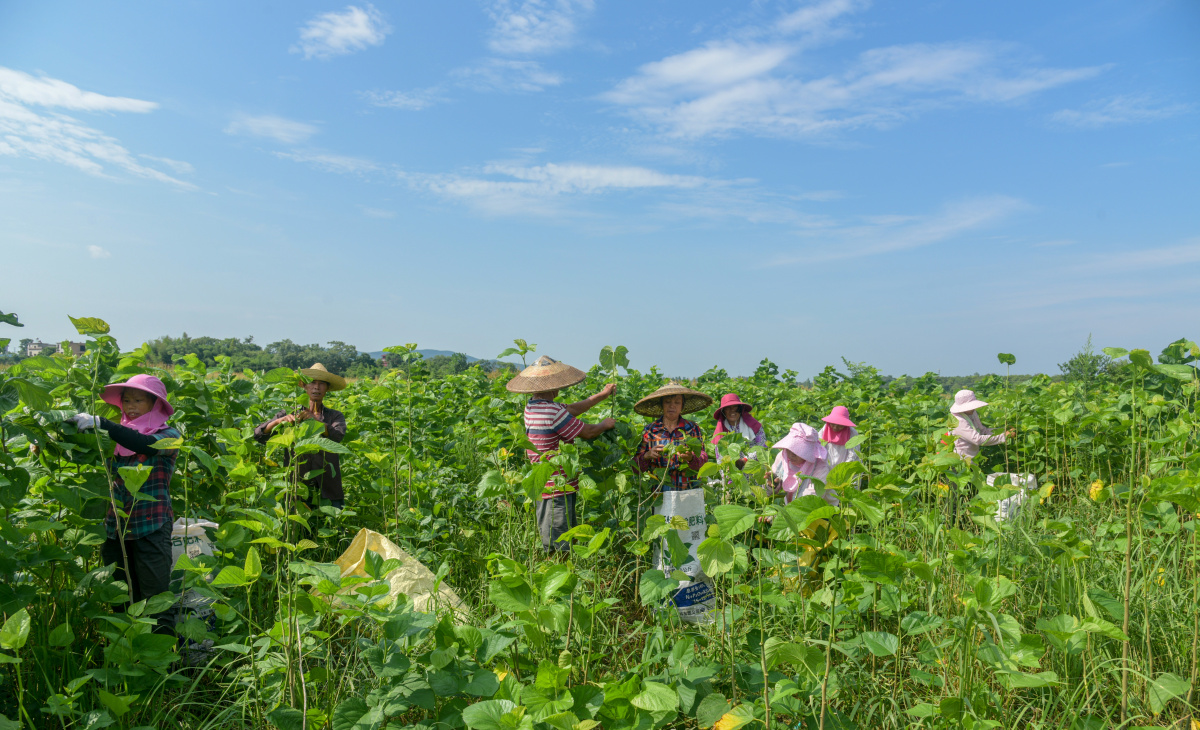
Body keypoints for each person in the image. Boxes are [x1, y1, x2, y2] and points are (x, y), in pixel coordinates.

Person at [70, 374, 181, 634]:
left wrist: (102, 423)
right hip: (116, 526)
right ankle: (126, 653)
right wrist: (45, 441)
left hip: (151, 524)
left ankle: (160, 662)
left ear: (155, 404)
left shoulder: (168, 436)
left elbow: (141, 443)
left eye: (138, 401)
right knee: (121, 593)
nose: (131, 406)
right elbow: (80, 450)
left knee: (154, 597)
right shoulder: (113, 438)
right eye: (127, 401)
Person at [506, 356, 616, 553]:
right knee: (558, 544)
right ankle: (557, 574)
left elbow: (572, 409)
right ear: (555, 387)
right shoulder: (552, 411)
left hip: (546, 483)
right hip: (555, 487)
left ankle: (563, 572)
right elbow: (588, 432)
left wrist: (602, 395)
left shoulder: (532, 406)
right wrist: (604, 425)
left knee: (563, 536)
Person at [254, 363, 348, 510]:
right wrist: (279, 421)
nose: (316, 387)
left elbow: (337, 437)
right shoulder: (290, 413)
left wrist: (314, 420)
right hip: (297, 483)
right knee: (298, 527)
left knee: (334, 526)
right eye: (312, 382)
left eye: (321, 384)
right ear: (304, 385)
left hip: (328, 485)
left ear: (327, 388)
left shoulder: (335, 416)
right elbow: (259, 435)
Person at [633, 383, 713, 491]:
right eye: (667, 402)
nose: (672, 406)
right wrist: (647, 455)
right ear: (662, 405)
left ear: (682, 405)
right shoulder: (650, 431)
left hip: (687, 490)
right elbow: (635, 468)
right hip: (658, 492)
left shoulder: (691, 428)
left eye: (677, 402)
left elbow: (703, 459)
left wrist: (691, 457)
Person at [770, 422, 835, 505]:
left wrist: (787, 513)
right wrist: (772, 485)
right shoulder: (782, 457)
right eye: (789, 449)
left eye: (797, 451)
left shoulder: (820, 466)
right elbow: (771, 493)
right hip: (789, 508)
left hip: (821, 511)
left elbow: (812, 499)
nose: (791, 455)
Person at [949, 389, 1014, 462]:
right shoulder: (958, 421)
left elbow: (983, 430)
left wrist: (1003, 430)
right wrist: (1005, 436)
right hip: (961, 461)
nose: (973, 408)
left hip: (973, 458)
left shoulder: (971, 412)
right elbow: (977, 440)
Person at [710, 393, 766, 469]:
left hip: (754, 468)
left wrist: (745, 460)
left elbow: (762, 447)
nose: (732, 411)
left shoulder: (754, 426)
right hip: (733, 472)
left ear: (740, 409)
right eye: (728, 408)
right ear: (723, 412)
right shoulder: (721, 431)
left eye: (735, 407)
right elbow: (720, 458)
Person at [820, 405, 861, 470]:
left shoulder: (852, 433)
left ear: (845, 425)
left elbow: (853, 453)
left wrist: (843, 468)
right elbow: (819, 447)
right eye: (832, 424)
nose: (835, 427)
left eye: (840, 426)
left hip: (847, 466)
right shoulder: (825, 429)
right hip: (827, 466)